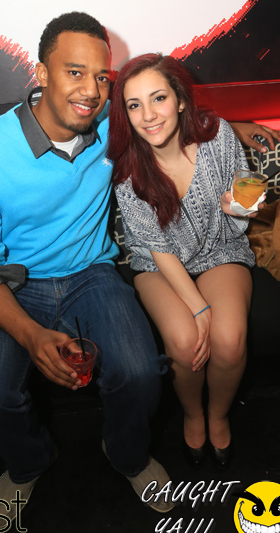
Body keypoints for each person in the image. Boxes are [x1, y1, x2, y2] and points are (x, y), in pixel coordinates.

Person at [0, 12, 280, 524]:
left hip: (90, 273)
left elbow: (170, 123)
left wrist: (235, 129)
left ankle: (128, 456)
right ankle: (29, 461)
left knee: (141, 372)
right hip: (14, 285)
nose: (91, 90)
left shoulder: (110, 124)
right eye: (74, 72)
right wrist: (32, 336)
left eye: (102, 77)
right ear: (41, 73)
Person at [107, 53, 264, 468]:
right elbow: (156, 248)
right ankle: (193, 414)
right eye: (134, 105)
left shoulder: (219, 136)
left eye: (158, 98)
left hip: (219, 250)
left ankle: (218, 414)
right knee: (183, 340)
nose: (148, 115)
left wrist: (241, 209)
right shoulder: (127, 168)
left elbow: (240, 204)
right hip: (158, 263)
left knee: (229, 339)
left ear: (179, 99)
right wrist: (199, 308)